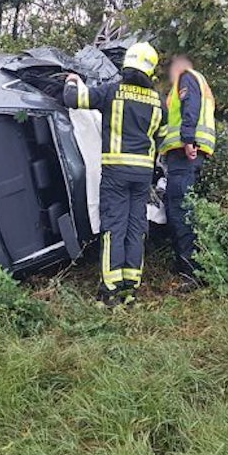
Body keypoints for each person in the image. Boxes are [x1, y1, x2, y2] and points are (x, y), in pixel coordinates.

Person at [63, 42, 164, 305]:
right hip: (142, 175)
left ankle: (109, 291)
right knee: (135, 228)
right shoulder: (158, 102)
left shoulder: (112, 92)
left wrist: (73, 81)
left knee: (113, 228)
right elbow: (160, 139)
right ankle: (131, 288)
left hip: (116, 174)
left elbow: (73, 100)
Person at [160, 54, 216, 284]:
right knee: (182, 207)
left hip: (185, 155)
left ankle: (192, 271)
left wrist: (188, 140)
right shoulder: (197, 80)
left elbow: (190, 106)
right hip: (186, 156)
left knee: (180, 210)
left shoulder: (186, 78)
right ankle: (187, 264)